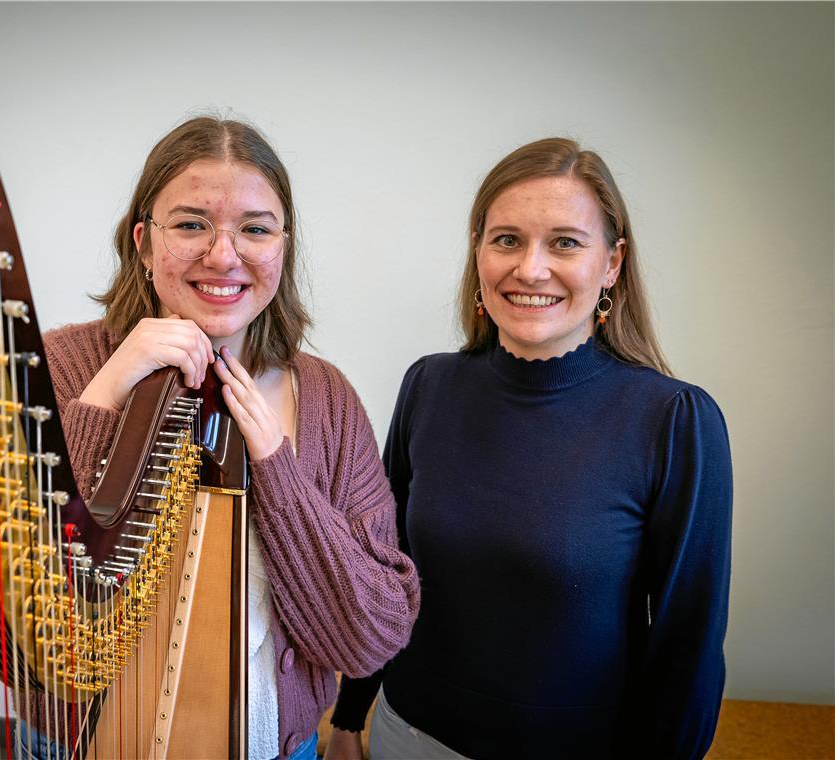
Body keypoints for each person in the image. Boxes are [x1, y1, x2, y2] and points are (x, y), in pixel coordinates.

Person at [326, 138, 732, 760]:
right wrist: (351, 716)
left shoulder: (674, 420)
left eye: (565, 242)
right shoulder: (429, 385)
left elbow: (688, 645)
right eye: (507, 239)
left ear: (613, 264)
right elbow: (384, 571)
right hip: (404, 735)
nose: (530, 269)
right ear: (479, 253)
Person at [41, 116, 420, 760]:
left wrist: (277, 466)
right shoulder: (64, 367)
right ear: (142, 241)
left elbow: (369, 638)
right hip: (68, 744)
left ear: (282, 246)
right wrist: (109, 390)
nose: (224, 254)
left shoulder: (325, 399)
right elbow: (34, 603)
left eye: (255, 228)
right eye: (191, 224)